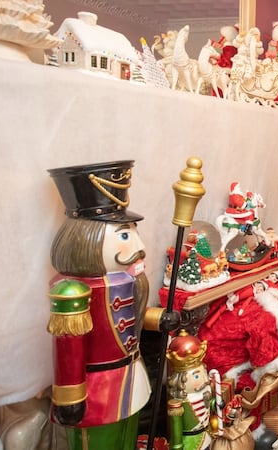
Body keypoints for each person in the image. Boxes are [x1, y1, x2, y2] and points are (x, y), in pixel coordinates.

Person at [46, 160, 180, 450]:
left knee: (126, 441)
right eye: (124, 235)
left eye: (133, 232)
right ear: (86, 240)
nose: (138, 245)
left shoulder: (128, 281)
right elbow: (69, 350)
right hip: (96, 393)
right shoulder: (72, 291)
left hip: (131, 379)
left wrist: (159, 319)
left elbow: (128, 318)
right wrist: (69, 398)